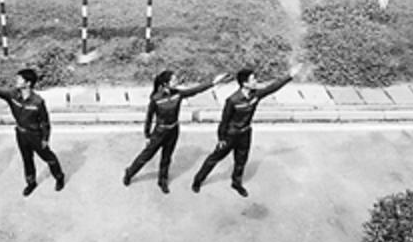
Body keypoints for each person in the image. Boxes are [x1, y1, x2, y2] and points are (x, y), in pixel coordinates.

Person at [192, 63, 302, 197]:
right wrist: (221, 139)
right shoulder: (232, 100)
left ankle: (236, 183)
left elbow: (273, 87)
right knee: (214, 158)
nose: (256, 81)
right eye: (253, 79)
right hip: (230, 135)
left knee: (241, 161)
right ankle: (198, 180)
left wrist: (290, 75)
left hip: (245, 134)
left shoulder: (256, 95)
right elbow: (224, 121)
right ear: (244, 83)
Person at [0, 69, 64, 197]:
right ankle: (31, 182)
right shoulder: (13, 95)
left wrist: (45, 139)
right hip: (21, 134)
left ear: (28, 83)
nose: (16, 81)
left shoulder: (38, 102)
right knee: (27, 159)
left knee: (49, 158)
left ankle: (59, 177)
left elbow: (45, 122)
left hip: (35, 135)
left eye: (20, 79)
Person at [123, 71, 229, 194]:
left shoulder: (178, 94)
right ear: (165, 84)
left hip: (173, 131)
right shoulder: (156, 99)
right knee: (146, 156)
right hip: (159, 132)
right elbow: (149, 118)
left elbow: (196, 90)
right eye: (173, 80)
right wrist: (147, 135)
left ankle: (162, 180)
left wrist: (214, 82)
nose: (176, 81)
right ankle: (129, 172)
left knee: (167, 157)